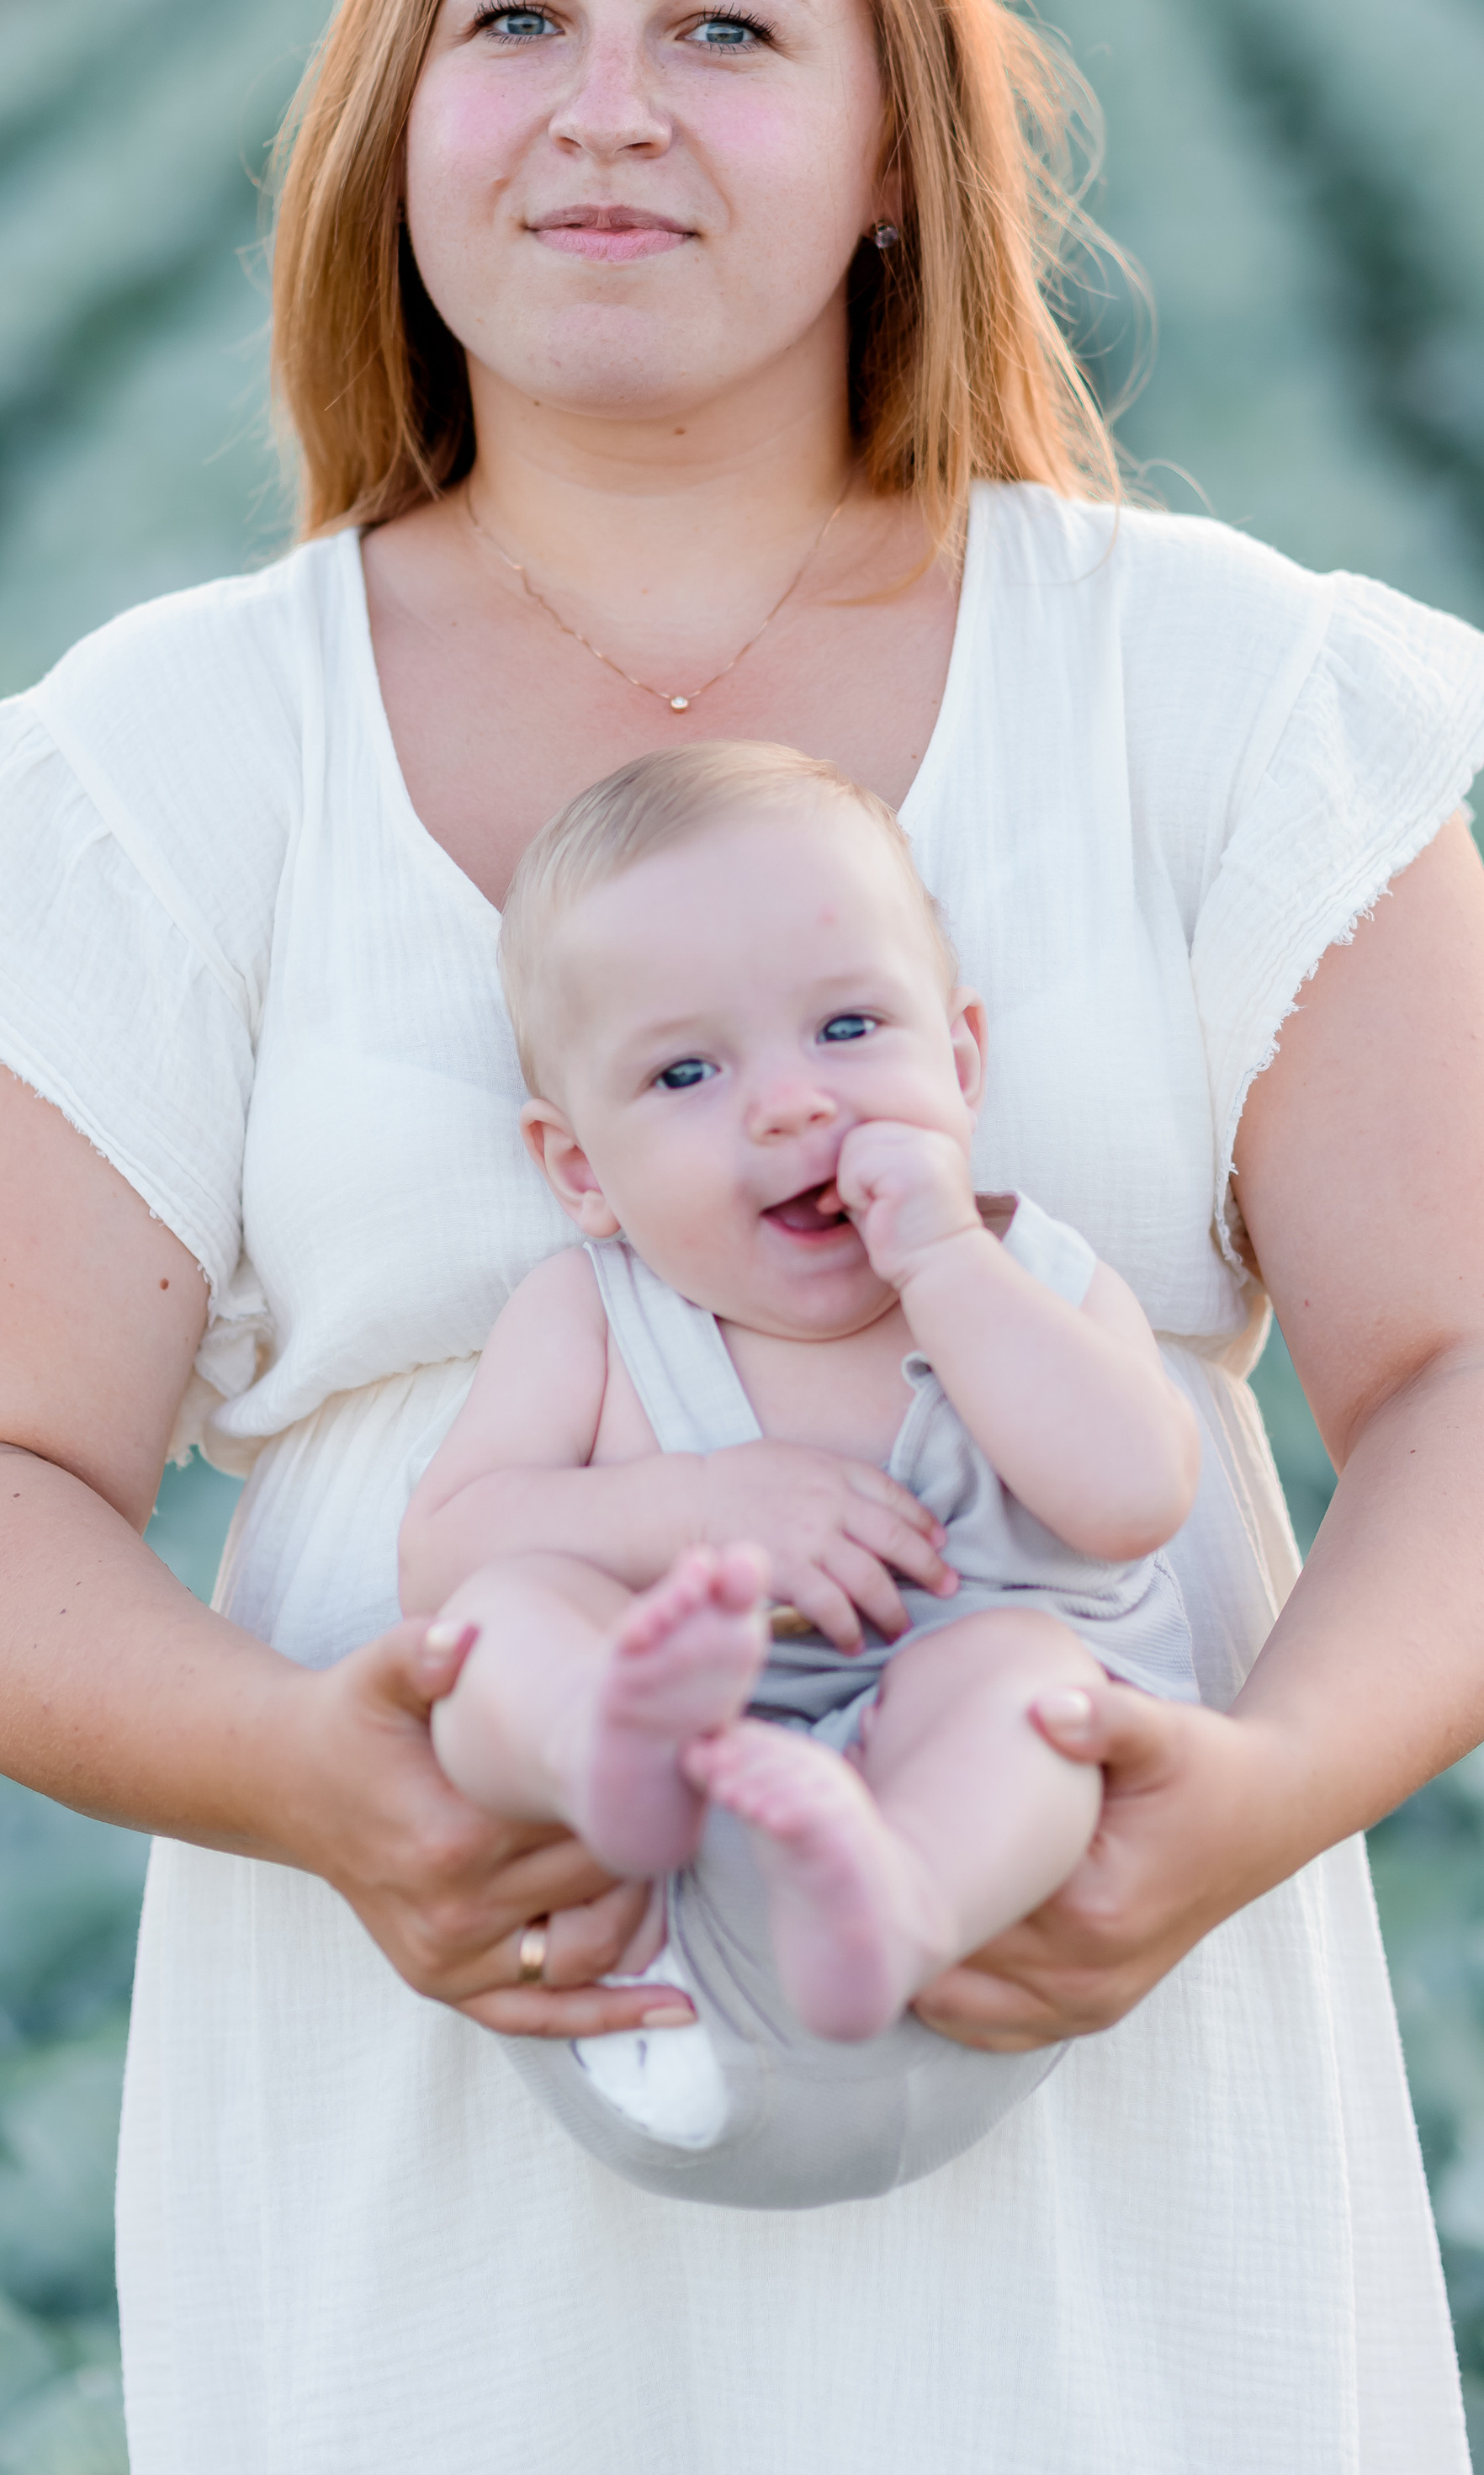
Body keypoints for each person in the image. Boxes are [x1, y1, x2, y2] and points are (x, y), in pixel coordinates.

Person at [0, 0, 1484, 2474]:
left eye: (731, 28)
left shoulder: (1217, 695)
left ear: (900, 145)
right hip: (454, 2087)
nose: (607, 107)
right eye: (516, 17)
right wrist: (315, 1773)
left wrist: (1252, 1793)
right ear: (395, 113)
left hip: (1087, 2049)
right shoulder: (167, 759)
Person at [399, 740, 1202, 2204]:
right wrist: (689, 1506)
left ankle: (893, 1890)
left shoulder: (1030, 1276)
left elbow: (1136, 1494)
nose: (787, 1103)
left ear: (960, 1064)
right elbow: (442, 1552)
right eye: (686, 1071)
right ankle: (604, 1745)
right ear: (579, 1169)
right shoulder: (592, 1316)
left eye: (847, 1026)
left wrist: (946, 1260)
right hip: (646, 1902)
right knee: (504, 1616)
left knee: (1024, 1672)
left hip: (986, 1909)